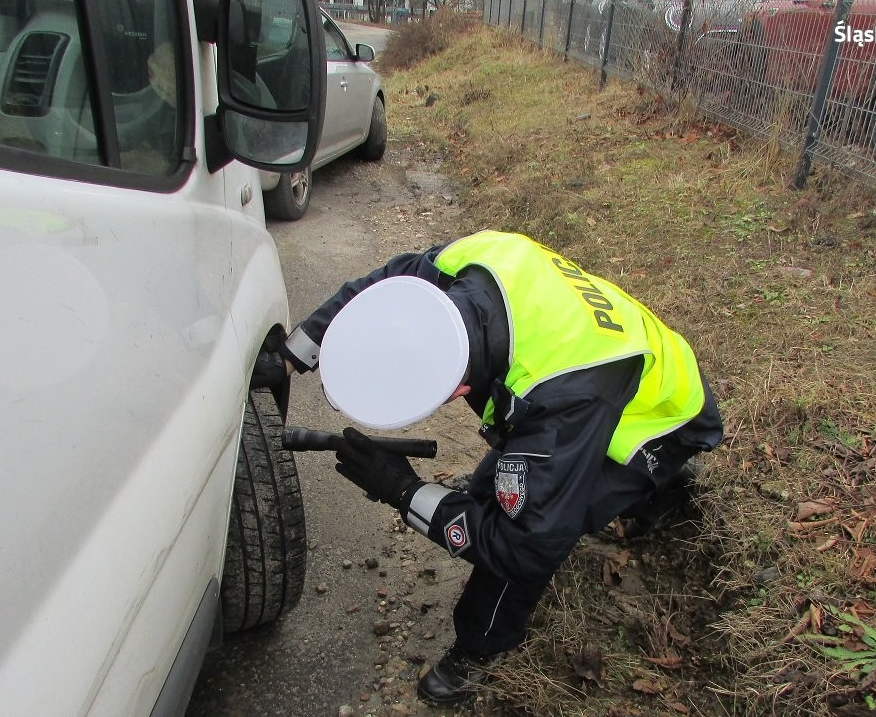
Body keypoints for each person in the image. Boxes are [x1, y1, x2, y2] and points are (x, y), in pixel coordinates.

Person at [264, 230, 723, 706]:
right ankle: (653, 492)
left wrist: (402, 490)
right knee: (498, 492)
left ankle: (483, 647)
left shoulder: (563, 399)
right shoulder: (474, 260)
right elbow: (386, 287)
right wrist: (294, 353)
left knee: (511, 515)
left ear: (458, 392)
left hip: (661, 420)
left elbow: (526, 547)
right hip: (612, 378)